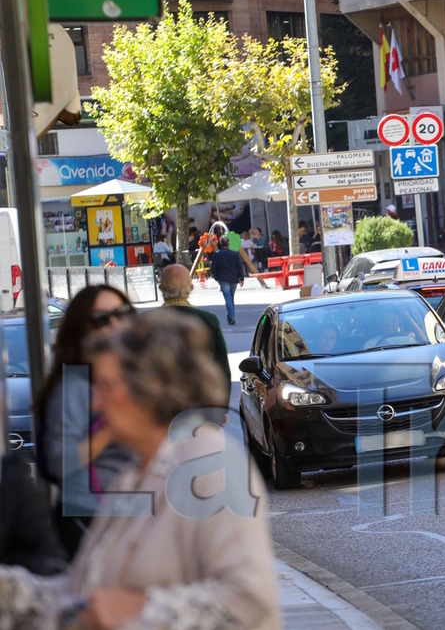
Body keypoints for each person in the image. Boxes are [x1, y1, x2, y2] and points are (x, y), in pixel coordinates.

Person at [0, 309, 280, 630]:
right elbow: (79, 595)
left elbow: (249, 600)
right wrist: (10, 590)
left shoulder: (211, 462)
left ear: (150, 387)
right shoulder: (131, 476)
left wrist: (143, 609)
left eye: (106, 386)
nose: (96, 403)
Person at [31, 285, 137, 558]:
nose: (115, 323)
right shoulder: (75, 386)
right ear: (81, 332)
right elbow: (58, 461)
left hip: (133, 519)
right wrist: (109, 430)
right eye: (102, 319)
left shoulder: (134, 377)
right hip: (91, 524)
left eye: (122, 313)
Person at [159, 264, 231, 394]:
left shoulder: (144, 322)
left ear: (160, 288)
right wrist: (222, 408)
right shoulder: (208, 320)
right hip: (200, 400)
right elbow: (221, 368)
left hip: (160, 404)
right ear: (191, 288)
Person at [210, 235, 245, 326]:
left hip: (223, 278)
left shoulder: (217, 254)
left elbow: (213, 267)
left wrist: (216, 277)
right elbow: (239, 267)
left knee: (228, 298)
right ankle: (231, 316)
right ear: (229, 243)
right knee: (231, 297)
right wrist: (241, 278)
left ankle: (231, 316)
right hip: (233, 278)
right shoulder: (234, 254)